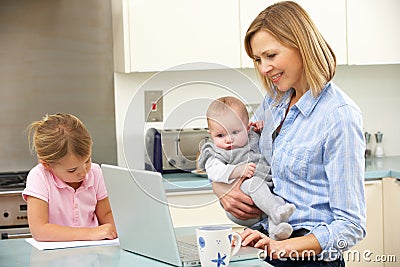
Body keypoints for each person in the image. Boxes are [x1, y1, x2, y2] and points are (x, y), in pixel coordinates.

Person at [211, 1, 366, 266]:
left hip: (307, 257)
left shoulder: (338, 116)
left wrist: (283, 247)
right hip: (265, 242)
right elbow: (237, 152)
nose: (263, 68)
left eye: (271, 56)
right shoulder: (274, 101)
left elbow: (350, 226)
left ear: (301, 45)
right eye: (258, 60)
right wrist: (220, 188)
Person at [198, 96, 295, 240]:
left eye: (235, 132)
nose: (228, 139)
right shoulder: (216, 152)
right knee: (254, 184)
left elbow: (275, 143)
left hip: (264, 198)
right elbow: (214, 171)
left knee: (279, 201)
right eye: (220, 135)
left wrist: (263, 129)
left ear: (247, 127)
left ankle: (277, 231)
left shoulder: (253, 136)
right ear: (211, 135)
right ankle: (276, 211)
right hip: (242, 204)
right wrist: (238, 171)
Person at [23, 113, 118, 242]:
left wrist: (117, 228)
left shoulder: (95, 173)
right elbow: (40, 230)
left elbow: (105, 214)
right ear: (47, 165)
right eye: (72, 170)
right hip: (54, 259)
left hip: (93, 256)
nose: (84, 172)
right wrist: (91, 233)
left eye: (87, 161)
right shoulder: (39, 177)